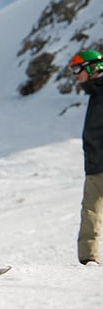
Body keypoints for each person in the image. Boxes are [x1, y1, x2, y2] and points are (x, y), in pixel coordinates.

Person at [69, 50, 103, 266]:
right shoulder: (95, 94)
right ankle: (88, 258)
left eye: (77, 69)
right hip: (95, 166)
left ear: (91, 67)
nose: (75, 75)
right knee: (89, 211)